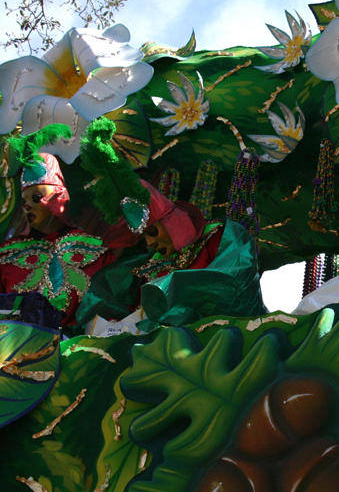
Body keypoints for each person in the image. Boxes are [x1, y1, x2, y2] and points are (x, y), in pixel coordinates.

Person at [75, 117, 266, 333]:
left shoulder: (222, 237)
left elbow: (231, 287)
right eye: (144, 238)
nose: (150, 243)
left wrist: (166, 309)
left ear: (171, 221)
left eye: (153, 232)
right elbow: (113, 303)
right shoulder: (147, 266)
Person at [0, 125, 115, 331]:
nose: (27, 206)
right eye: (24, 201)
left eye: (36, 198)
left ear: (58, 196)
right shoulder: (7, 255)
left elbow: (110, 307)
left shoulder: (97, 251)